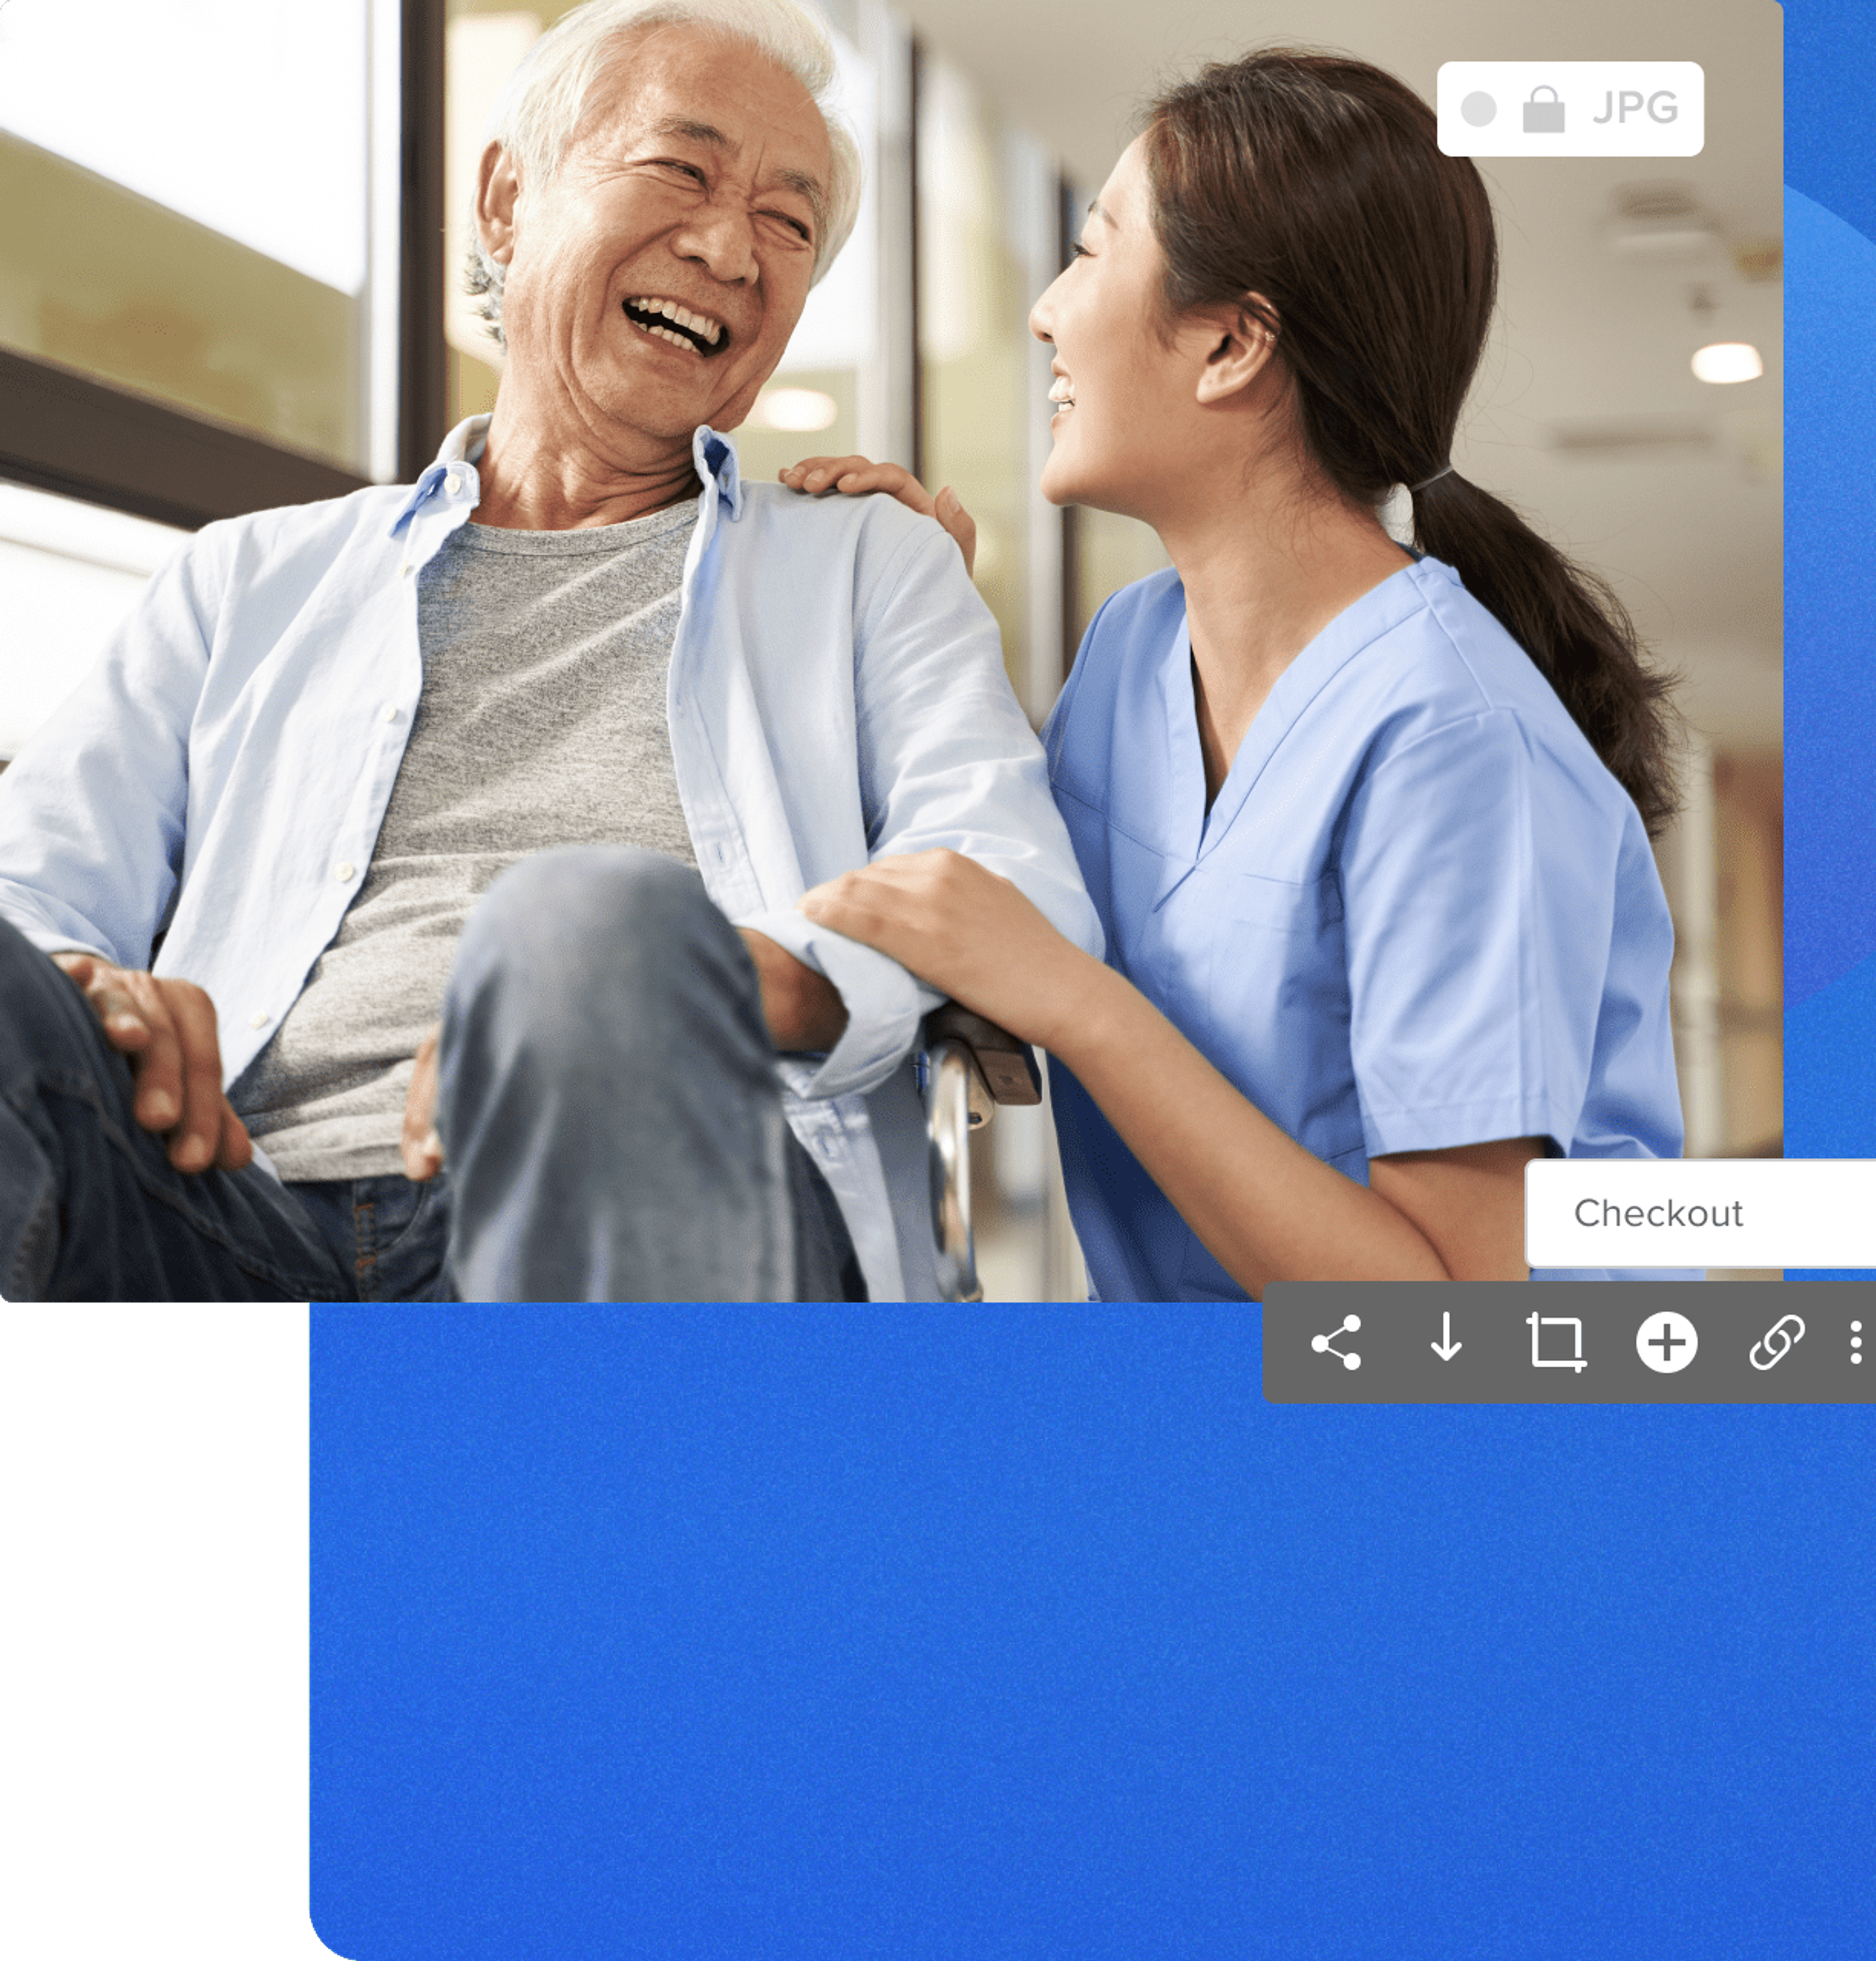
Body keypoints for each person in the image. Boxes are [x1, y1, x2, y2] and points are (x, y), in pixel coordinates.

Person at [0, 0, 1099, 1305]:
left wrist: (746, 979)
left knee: (586, 923)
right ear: (508, 199)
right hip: (221, 1207)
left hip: (647, 1199)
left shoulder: (866, 559)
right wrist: (87, 984)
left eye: (788, 223)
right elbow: (34, 884)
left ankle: (578, 1490)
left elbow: (1010, 882)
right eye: (681, 170)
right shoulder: (248, 576)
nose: (729, 246)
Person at [789, 50, 1689, 1299]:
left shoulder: (1455, 737)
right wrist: (912, 628)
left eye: (1093, 250)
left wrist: (1083, 1008)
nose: (1048, 308)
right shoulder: (1130, 653)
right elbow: (982, 902)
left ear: (1230, 344)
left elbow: (1457, 1325)